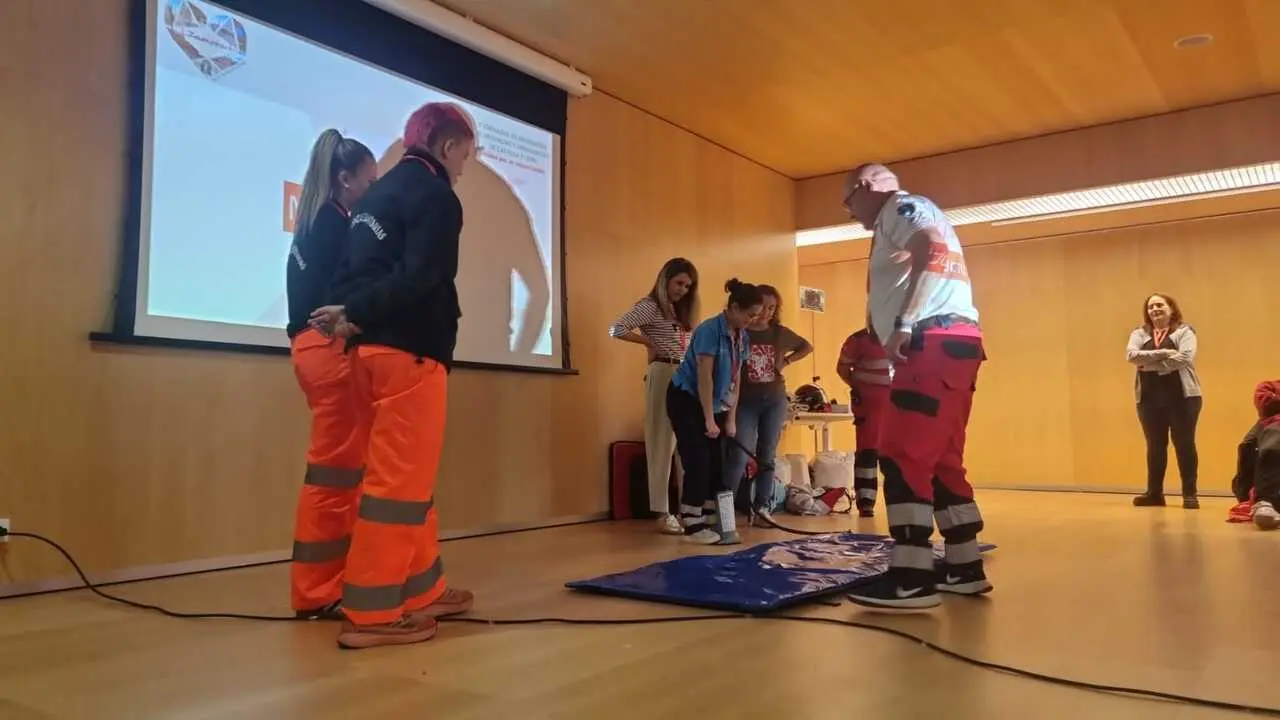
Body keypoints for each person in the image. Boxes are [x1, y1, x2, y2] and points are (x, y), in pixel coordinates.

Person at [310, 102, 477, 649]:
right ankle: (373, 614)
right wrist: (359, 312)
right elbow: (425, 276)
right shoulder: (437, 197)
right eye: (466, 155)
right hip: (412, 354)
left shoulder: (372, 197)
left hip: (365, 355)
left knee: (405, 483)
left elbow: (349, 274)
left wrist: (351, 315)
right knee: (398, 489)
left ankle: (423, 590)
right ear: (447, 147)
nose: (465, 167)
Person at [840, 163, 992, 610]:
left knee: (901, 454)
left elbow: (932, 248)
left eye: (849, 202)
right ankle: (964, 565)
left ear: (866, 187)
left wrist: (904, 322)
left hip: (931, 342)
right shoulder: (913, 211)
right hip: (956, 345)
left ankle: (911, 577)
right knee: (942, 458)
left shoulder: (900, 208)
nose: (850, 213)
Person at [285, 129, 377, 620]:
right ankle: (320, 590)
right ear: (345, 179)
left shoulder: (315, 221)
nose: (373, 191)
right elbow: (346, 303)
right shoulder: (337, 226)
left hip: (310, 350)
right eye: (369, 181)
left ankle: (326, 584)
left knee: (337, 474)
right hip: (329, 351)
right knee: (336, 478)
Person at [666, 278, 764, 544]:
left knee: (717, 465)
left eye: (756, 316)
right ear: (734, 307)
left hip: (717, 403)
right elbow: (704, 378)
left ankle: (712, 520)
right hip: (687, 399)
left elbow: (737, 378)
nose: (752, 320)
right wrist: (709, 419)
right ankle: (692, 525)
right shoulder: (709, 330)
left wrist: (730, 418)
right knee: (698, 461)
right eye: (750, 314)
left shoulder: (742, 336)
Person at [608, 258, 700, 534]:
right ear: (665, 279)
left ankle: (688, 509)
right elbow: (616, 328)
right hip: (663, 371)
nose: (683, 290)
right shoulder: (650, 306)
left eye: (688, 286)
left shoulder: (680, 310)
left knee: (687, 444)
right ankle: (662, 511)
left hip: (685, 373)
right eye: (679, 283)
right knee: (662, 442)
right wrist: (647, 342)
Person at [722, 284, 810, 525]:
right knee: (739, 454)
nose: (766, 313)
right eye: (763, 307)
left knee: (767, 455)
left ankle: (763, 507)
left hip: (773, 400)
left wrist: (786, 362)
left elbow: (806, 346)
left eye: (772, 308)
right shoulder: (740, 330)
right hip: (745, 401)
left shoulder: (779, 333)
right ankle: (725, 510)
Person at [1126, 293, 1203, 509]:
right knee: (1155, 446)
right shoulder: (1139, 333)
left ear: (1171, 308)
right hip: (1149, 399)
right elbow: (1132, 356)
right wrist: (1167, 353)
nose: (1155, 309)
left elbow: (1184, 358)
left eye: (1160, 305)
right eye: (1150, 307)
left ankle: (1190, 494)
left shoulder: (1184, 331)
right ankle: (1154, 494)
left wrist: (1150, 365)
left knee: (1184, 444)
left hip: (1183, 398)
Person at [836, 325, 891, 518]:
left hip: (898, 403)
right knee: (868, 450)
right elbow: (842, 368)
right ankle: (866, 502)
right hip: (868, 405)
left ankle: (898, 501)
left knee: (896, 453)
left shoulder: (907, 337)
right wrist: (860, 386)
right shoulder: (858, 339)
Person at [1228, 381, 1280, 530]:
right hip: (1272, 426)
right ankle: (1265, 501)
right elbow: (1266, 405)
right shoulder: (1269, 385)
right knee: (1272, 441)